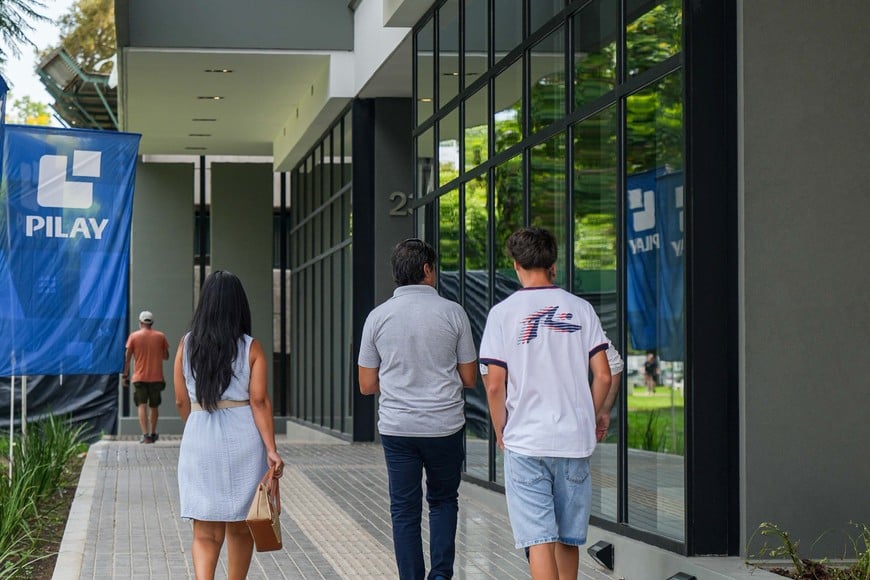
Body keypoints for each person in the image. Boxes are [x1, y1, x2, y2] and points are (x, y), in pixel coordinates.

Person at [479, 227, 611, 580]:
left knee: (539, 540)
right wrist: (594, 413)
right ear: (553, 263)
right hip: (573, 440)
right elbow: (604, 375)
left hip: (526, 441)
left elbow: (494, 385)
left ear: (516, 264)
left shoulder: (502, 313)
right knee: (568, 540)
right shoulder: (581, 309)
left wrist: (500, 429)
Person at [358, 238, 478, 580]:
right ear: (427, 270)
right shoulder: (454, 312)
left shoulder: (378, 317)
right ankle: (440, 576)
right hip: (445, 426)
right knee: (443, 500)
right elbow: (469, 377)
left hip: (398, 428)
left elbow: (367, 385)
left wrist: (400, 382)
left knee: (404, 510)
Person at [174, 271, 284, 580]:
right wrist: (272, 450)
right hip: (243, 440)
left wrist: (197, 426)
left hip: (199, 437)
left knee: (205, 533)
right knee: (239, 527)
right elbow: (259, 401)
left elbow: (182, 401)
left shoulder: (186, 345)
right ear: (239, 306)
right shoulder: (251, 347)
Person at [123, 310, 170, 444]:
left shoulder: (134, 336)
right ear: (152, 323)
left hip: (139, 377)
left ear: (140, 322)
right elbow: (166, 356)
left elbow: (127, 357)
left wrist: (125, 375)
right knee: (154, 406)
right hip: (156, 377)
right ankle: (153, 433)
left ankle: (145, 435)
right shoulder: (160, 336)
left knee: (141, 405)